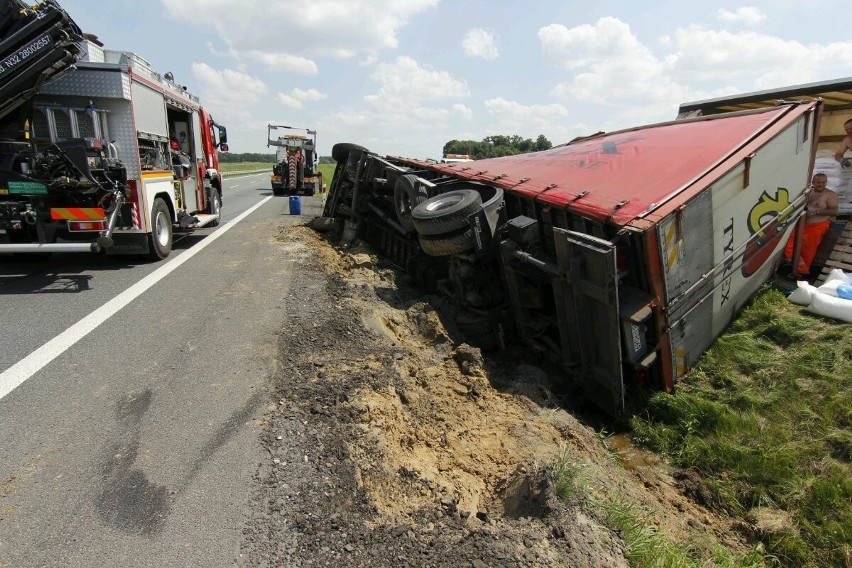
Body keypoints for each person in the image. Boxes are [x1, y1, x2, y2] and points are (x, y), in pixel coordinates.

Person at [783, 172, 839, 278]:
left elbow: (834, 211)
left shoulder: (830, 195)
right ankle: (798, 269)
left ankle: (802, 273)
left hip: (818, 226)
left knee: (808, 251)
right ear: (813, 182)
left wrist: (816, 212)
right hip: (802, 224)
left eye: (823, 182)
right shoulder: (808, 192)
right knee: (789, 244)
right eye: (818, 182)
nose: (821, 184)